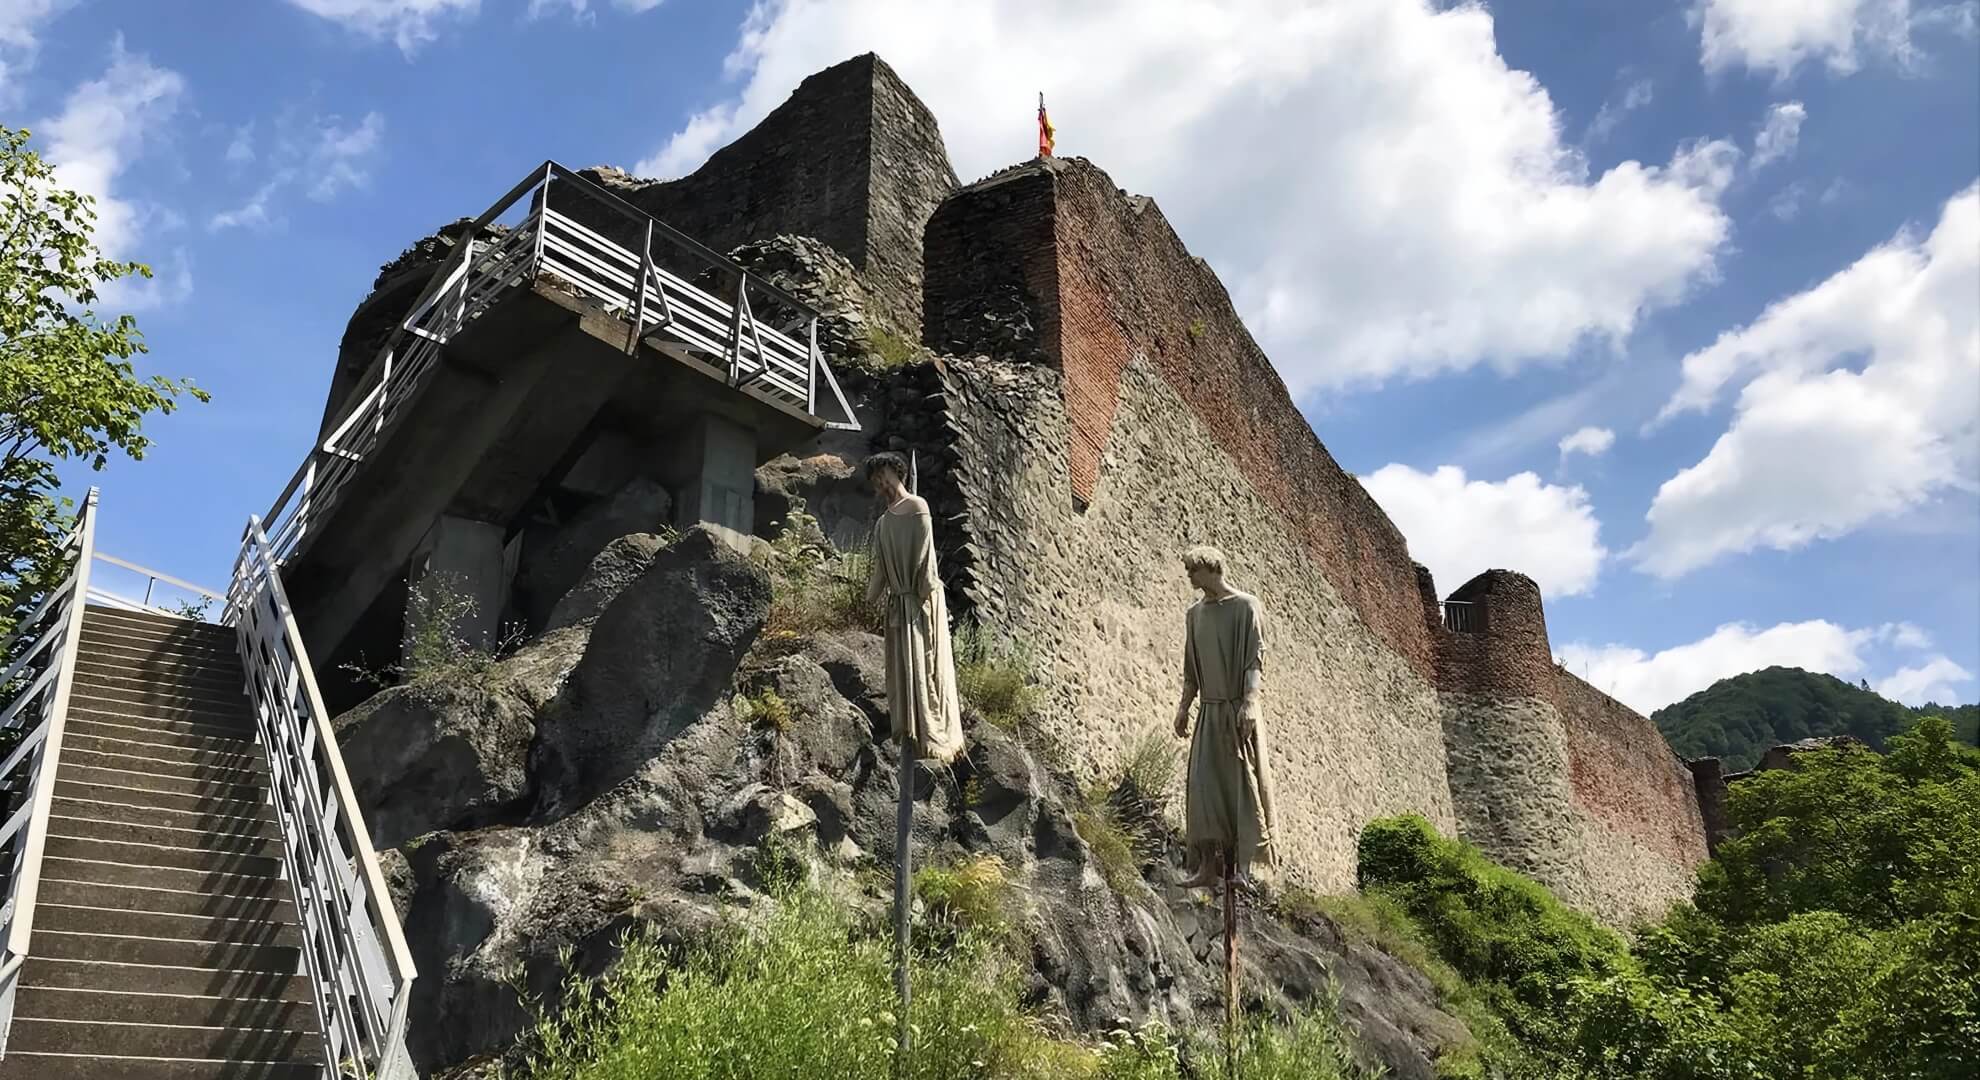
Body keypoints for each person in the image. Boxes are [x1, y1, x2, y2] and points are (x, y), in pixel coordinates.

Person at [1172, 544, 1278, 889]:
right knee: (1203, 786)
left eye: (1192, 570)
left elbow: (1253, 661)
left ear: (1210, 568)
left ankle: (1242, 870)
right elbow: (1191, 669)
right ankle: (1207, 865)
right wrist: (1184, 707)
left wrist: (1249, 702)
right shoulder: (1194, 614)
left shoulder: (1246, 606)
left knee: (1240, 784)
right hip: (1210, 710)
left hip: (1237, 709)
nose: (1189, 576)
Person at [863, 452, 965, 763]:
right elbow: (880, 571)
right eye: (876, 479)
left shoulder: (918, 507)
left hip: (921, 604)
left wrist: (923, 598)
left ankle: (932, 736)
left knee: (928, 669)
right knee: (903, 673)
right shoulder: (882, 524)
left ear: (897, 472)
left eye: (884, 474)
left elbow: (925, 563)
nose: (882, 482)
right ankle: (910, 728)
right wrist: (868, 600)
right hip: (900, 606)